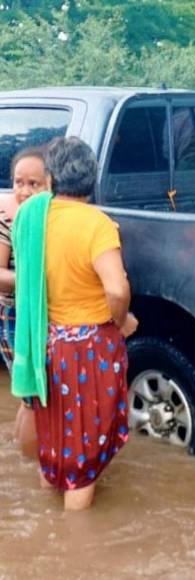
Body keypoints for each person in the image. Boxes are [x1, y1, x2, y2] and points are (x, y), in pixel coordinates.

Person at [12, 137, 139, 511]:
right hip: (89, 351)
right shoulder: (96, 225)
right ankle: (77, 550)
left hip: (46, 347)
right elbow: (117, 288)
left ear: (50, 177)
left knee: (54, 448)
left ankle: (47, 531)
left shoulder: (31, 218)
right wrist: (123, 319)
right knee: (82, 461)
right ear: (92, 178)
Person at [0, 147, 50, 458]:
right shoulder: (7, 219)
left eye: (34, 184)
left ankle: (23, 458)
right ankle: (35, 467)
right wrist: (34, 282)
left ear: (50, 185)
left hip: (42, 315)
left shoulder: (51, 219)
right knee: (31, 394)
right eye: (19, 182)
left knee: (28, 396)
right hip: (15, 316)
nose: (24, 191)